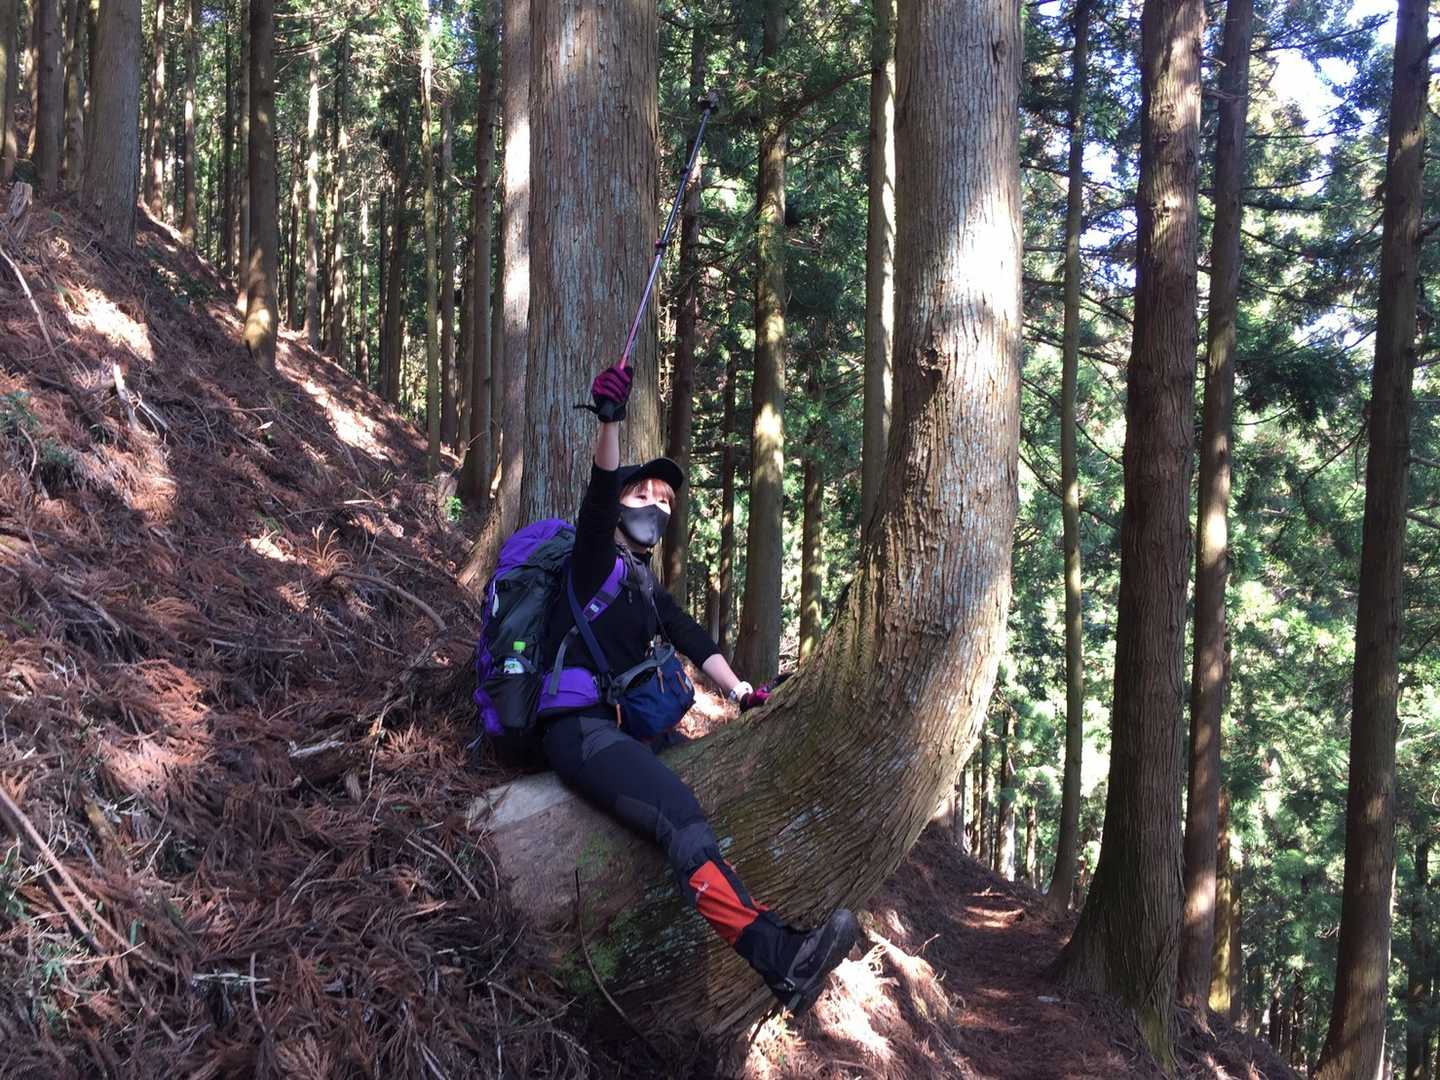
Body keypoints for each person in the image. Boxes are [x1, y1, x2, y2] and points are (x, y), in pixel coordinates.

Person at [538, 360, 860, 1014]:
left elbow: (691, 636)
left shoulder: (644, 585)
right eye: (643, 494)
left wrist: (741, 692)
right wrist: (609, 423)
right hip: (578, 732)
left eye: (665, 501)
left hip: (623, 733)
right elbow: (597, 500)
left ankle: (773, 931)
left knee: (697, 797)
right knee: (679, 814)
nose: (656, 506)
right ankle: (780, 959)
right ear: (621, 501)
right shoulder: (592, 558)